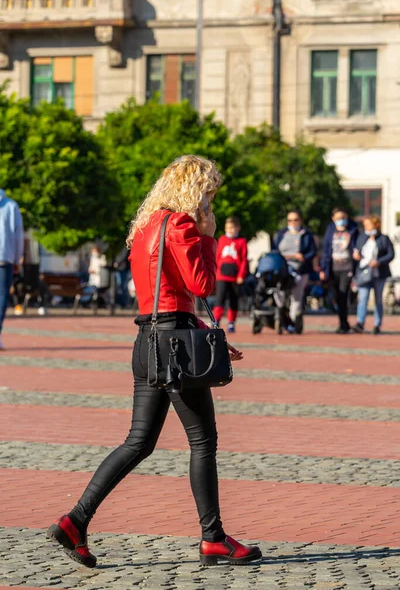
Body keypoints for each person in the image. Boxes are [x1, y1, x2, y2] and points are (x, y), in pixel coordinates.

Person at [47, 155, 262, 568]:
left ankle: (75, 520)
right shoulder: (182, 226)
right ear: (195, 190)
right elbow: (202, 285)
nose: (210, 201)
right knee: (203, 441)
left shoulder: (146, 228)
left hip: (148, 340)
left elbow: (167, 298)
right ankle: (213, 538)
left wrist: (205, 336)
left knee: (138, 441)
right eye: (209, 193)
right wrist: (210, 237)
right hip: (175, 349)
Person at [272, 210, 316, 332]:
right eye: (290, 220)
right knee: (279, 293)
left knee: (296, 297)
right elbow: (275, 250)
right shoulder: (282, 234)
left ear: (300, 220)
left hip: (300, 270)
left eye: (295, 219)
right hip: (282, 269)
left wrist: (303, 257)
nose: (292, 222)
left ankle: (291, 322)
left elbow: (312, 252)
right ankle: (280, 313)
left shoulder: (306, 234)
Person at [353, 215, 394, 335]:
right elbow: (357, 250)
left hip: (379, 273)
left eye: (368, 225)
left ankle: (377, 324)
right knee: (363, 298)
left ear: (376, 225)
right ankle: (360, 323)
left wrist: (379, 261)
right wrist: (356, 256)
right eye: (365, 225)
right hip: (364, 272)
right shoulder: (362, 237)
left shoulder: (384, 239)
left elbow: (391, 254)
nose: (366, 227)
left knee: (378, 300)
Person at [320, 207, 359, 334]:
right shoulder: (330, 230)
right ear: (333, 219)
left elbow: (358, 246)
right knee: (337, 295)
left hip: (347, 267)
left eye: (343, 218)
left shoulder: (353, 229)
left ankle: (343, 323)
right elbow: (326, 250)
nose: (340, 220)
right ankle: (344, 322)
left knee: (343, 294)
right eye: (337, 218)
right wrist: (323, 269)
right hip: (333, 267)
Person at [213, 216, 248, 332]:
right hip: (221, 276)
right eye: (227, 228)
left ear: (238, 228)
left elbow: (243, 260)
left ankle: (231, 322)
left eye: (232, 228)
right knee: (220, 299)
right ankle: (216, 320)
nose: (230, 230)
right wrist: (214, 272)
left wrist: (241, 275)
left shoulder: (242, 241)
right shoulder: (222, 239)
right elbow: (217, 257)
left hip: (235, 277)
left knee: (233, 299)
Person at [0, 188, 24, 350]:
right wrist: (17, 258)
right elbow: (18, 234)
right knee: (1, 296)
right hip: (4, 257)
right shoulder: (10, 205)